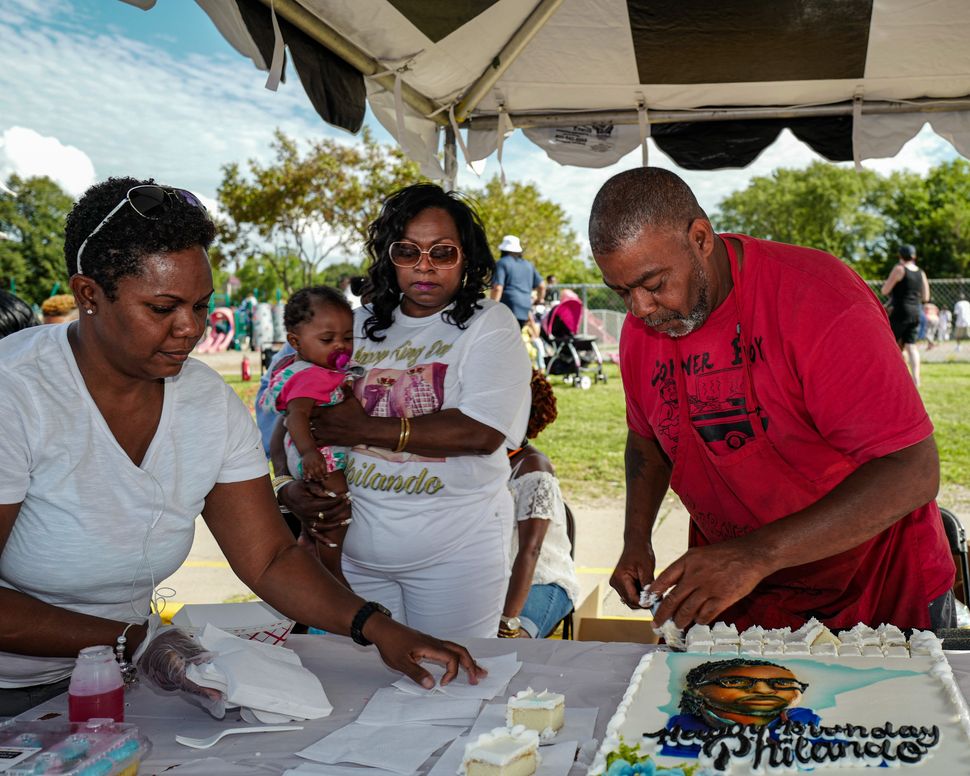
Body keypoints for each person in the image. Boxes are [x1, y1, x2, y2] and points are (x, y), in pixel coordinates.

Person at [0, 177, 483, 718]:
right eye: (163, 308)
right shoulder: (16, 392)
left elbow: (270, 558)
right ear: (89, 295)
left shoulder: (204, 399)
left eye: (202, 305)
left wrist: (377, 626)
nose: (191, 329)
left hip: (116, 677)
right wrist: (134, 640)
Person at [589, 167, 953, 634]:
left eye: (655, 284)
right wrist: (635, 539)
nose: (638, 309)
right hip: (745, 596)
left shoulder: (818, 299)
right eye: (621, 292)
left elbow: (913, 471)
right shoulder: (647, 327)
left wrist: (757, 554)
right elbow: (647, 439)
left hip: (877, 590)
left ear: (700, 238)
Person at [275, 183, 532, 639]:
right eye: (407, 251)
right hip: (354, 560)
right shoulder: (353, 326)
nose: (424, 265)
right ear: (388, 258)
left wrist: (366, 429)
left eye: (443, 252)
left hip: (455, 559)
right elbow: (291, 414)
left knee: (450, 688)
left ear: (467, 258)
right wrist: (287, 486)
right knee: (356, 694)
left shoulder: (488, 324)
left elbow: (482, 433)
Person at [259, 286, 357, 581]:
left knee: (323, 510)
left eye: (348, 337)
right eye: (327, 340)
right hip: (319, 457)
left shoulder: (316, 368)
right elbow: (295, 417)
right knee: (335, 503)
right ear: (295, 342)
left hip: (315, 453)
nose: (339, 346)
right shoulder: (310, 376)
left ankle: (307, 542)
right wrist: (309, 453)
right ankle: (332, 569)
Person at [501, 370, 579, 639]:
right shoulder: (481, 461)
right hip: (495, 579)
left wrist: (507, 620)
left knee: (510, 644)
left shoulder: (533, 470)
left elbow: (530, 551)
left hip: (539, 581)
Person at [881, 244, 929, 386]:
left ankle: (893, 375)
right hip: (916, 311)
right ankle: (916, 379)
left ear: (900, 256)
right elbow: (926, 296)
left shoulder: (899, 269)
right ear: (914, 256)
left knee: (891, 344)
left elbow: (884, 290)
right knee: (911, 346)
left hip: (900, 311)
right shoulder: (921, 272)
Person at [490, 234, 545, 329]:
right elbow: (542, 286)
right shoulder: (529, 265)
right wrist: (539, 300)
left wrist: (492, 308)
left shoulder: (502, 263)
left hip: (507, 308)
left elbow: (497, 288)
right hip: (524, 310)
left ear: (503, 250)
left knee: (503, 340)